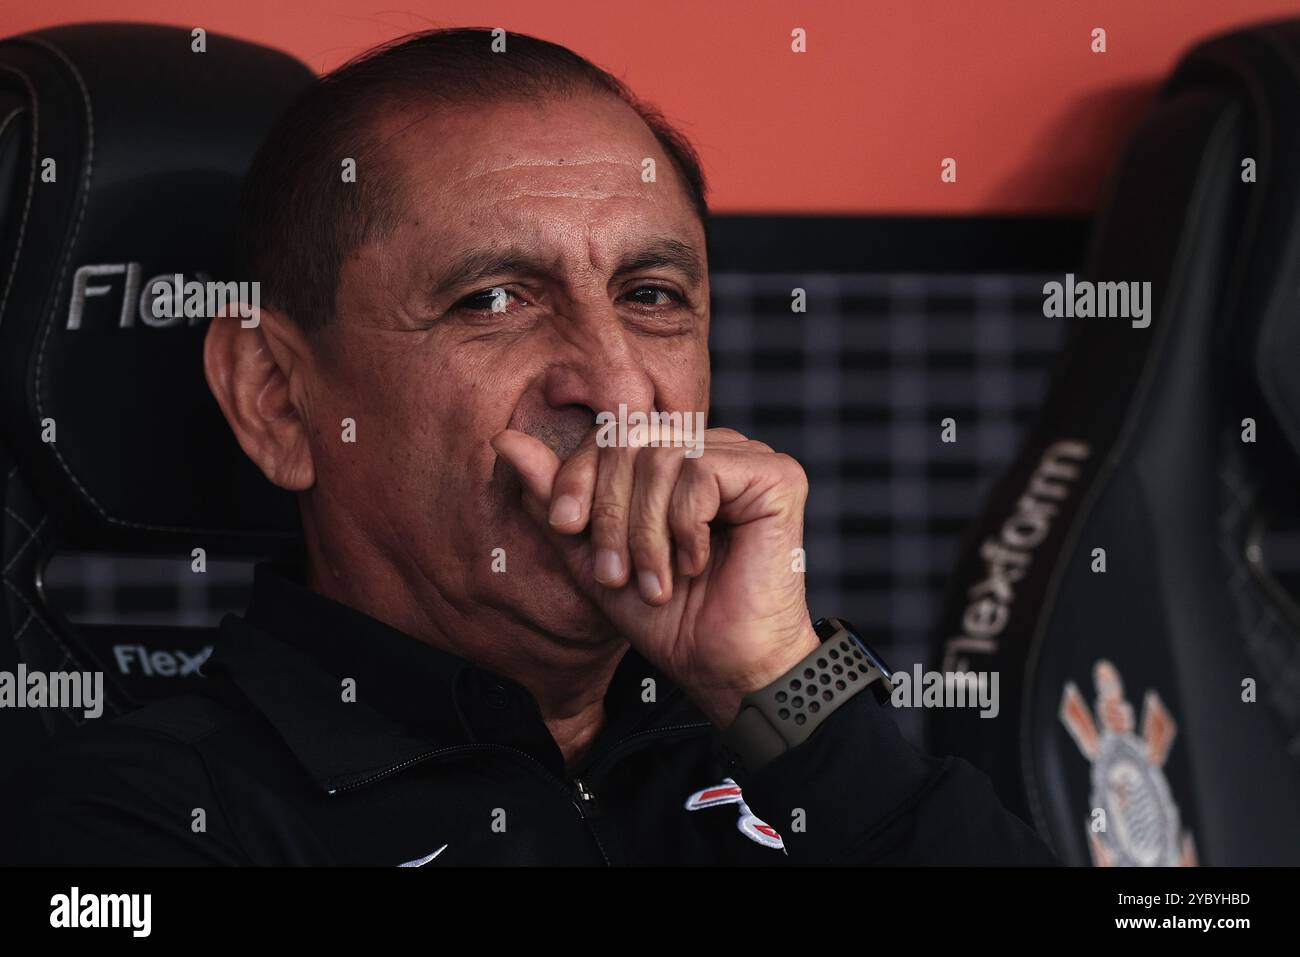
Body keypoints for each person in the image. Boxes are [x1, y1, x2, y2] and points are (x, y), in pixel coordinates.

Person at [15, 27, 1056, 865]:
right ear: (280, 400)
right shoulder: (137, 825)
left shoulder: (786, 751)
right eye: (494, 299)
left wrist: (782, 691)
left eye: (650, 297)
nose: (611, 386)